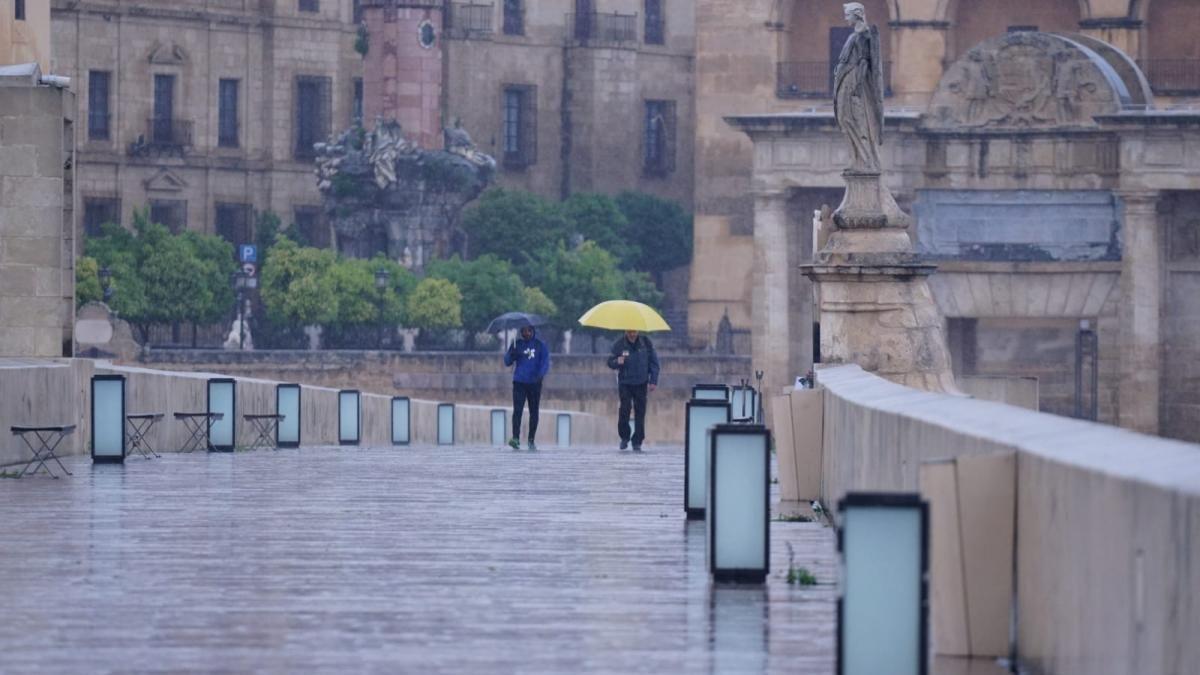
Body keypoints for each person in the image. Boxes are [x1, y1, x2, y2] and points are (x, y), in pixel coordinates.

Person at [606, 329, 660, 452]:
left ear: (638, 331)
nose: (632, 334)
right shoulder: (619, 344)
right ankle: (624, 437)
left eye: (634, 331)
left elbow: (654, 363)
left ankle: (637, 441)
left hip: (641, 382)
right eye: (629, 331)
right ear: (625, 331)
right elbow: (610, 362)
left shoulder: (646, 343)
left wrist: (653, 381)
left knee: (640, 412)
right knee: (624, 409)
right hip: (625, 382)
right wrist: (617, 362)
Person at [504, 324, 550, 451]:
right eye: (523, 331)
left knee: (533, 411)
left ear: (532, 331)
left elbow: (545, 362)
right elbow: (507, 362)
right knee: (517, 410)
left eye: (528, 330)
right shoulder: (517, 344)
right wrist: (511, 353)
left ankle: (531, 440)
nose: (526, 333)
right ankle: (515, 438)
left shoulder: (540, 345)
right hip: (519, 382)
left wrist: (540, 375)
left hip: (534, 383)